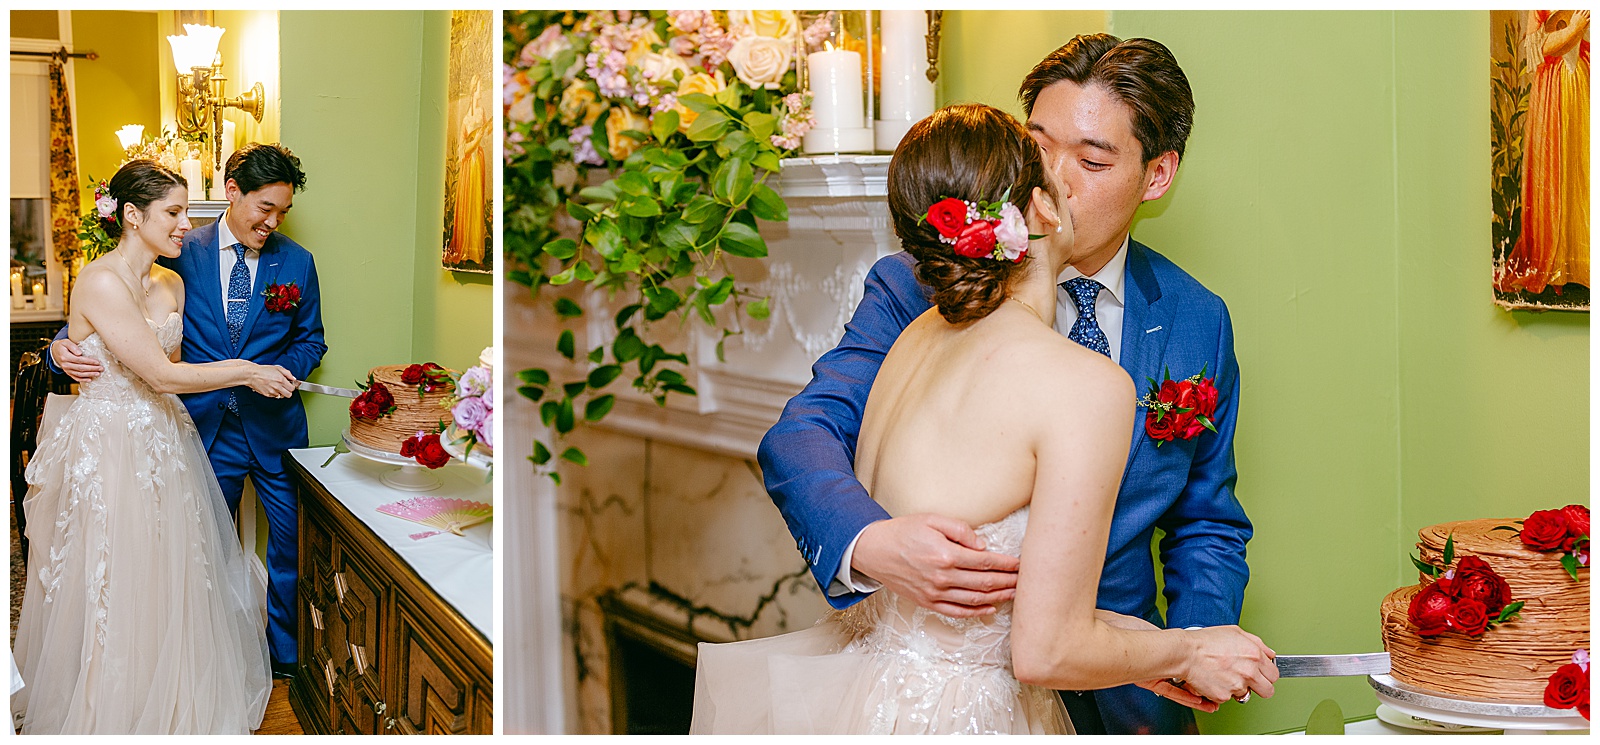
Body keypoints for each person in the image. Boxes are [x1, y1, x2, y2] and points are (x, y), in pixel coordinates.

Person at [691, 105, 1276, 735]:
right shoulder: (938, 309)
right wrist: (871, 543)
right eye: (1042, 149)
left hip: (1039, 692)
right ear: (1035, 207)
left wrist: (1187, 647)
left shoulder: (928, 332)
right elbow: (804, 431)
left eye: (1093, 158)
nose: (1064, 176)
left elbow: (1206, 519)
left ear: (1155, 174)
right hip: (984, 700)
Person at [13, 160, 297, 733]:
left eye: (186, 211)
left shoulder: (171, 281)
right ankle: (107, 706)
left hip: (166, 440)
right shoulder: (99, 280)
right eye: (173, 212)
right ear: (133, 215)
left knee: (171, 573)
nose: (185, 224)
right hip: (112, 445)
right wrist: (245, 370)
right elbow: (157, 374)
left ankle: (169, 699)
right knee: (111, 575)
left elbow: (171, 363)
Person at [1497, 9, 1589, 295]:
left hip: (1585, 83)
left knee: (1583, 172)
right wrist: (1573, 29)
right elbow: (1538, 47)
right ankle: (1558, 268)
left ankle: (1585, 265)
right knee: (1557, 172)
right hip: (1555, 90)